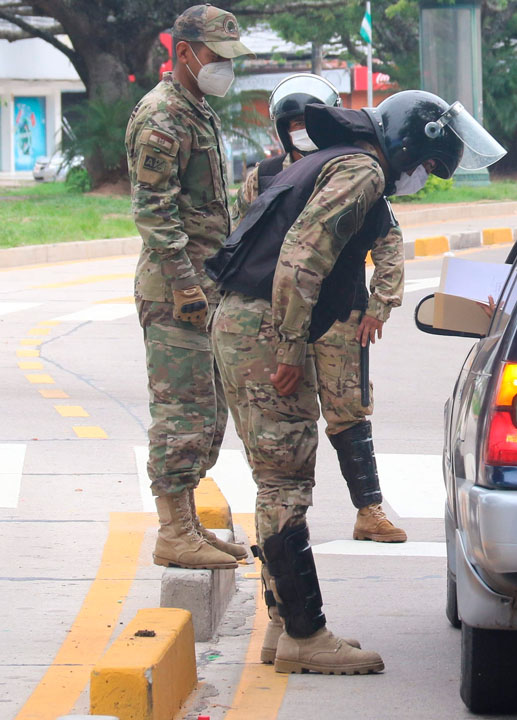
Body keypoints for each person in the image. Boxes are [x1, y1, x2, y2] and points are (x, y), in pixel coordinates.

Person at [206, 90, 505, 674]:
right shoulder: (362, 169)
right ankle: (303, 634)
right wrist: (291, 345)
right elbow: (301, 254)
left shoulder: (333, 160)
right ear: (405, 145)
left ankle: (283, 627)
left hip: (245, 321)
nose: (420, 178)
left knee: (275, 482)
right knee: (286, 482)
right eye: (424, 166)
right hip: (266, 327)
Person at [235, 74, 408, 544]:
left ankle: (369, 511)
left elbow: (388, 242)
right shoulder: (264, 178)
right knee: (281, 422)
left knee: (348, 410)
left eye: (306, 122)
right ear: (279, 129)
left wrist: (380, 304)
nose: (300, 131)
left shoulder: (351, 170)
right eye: (291, 124)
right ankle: (283, 520)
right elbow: (242, 239)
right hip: (276, 319)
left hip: (341, 315)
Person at [126, 3, 251, 570]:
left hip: (205, 283)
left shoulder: (195, 107)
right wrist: (184, 286)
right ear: (184, 53)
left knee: (208, 410)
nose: (225, 67)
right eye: (217, 56)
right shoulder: (161, 117)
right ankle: (173, 533)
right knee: (182, 411)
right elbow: (154, 213)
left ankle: (191, 525)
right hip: (177, 290)